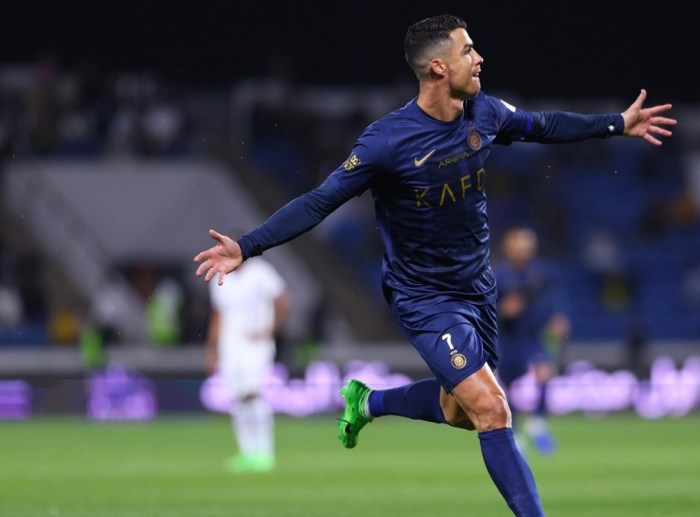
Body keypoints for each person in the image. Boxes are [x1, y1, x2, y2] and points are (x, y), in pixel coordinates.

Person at [194, 14, 675, 515]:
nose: (480, 58)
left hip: (478, 289)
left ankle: (369, 402)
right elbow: (320, 200)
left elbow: (545, 125)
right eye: (468, 50)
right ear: (440, 68)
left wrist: (616, 123)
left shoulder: (484, 113)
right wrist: (247, 246)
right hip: (424, 296)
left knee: (459, 411)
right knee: (493, 409)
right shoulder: (387, 141)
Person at [205, 256, 290, 473]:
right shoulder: (220, 276)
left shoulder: (261, 272)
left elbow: (283, 300)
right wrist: (212, 349)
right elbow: (218, 315)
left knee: (253, 394)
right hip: (229, 348)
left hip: (255, 346)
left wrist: (270, 330)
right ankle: (247, 452)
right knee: (238, 399)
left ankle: (264, 453)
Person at [495, 227, 569, 456]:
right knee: (507, 385)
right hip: (508, 337)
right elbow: (485, 307)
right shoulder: (498, 275)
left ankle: (537, 422)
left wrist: (559, 316)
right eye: (519, 246)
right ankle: (515, 430)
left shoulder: (543, 271)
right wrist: (502, 310)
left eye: (527, 246)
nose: (523, 251)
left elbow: (557, 295)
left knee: (544, 373)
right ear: (508, 248)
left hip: (534, 335)